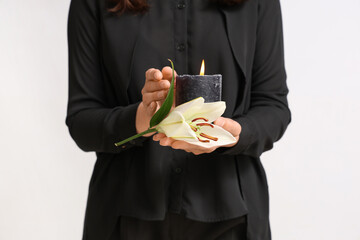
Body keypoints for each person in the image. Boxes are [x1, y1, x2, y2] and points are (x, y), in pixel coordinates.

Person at [65, 0, 291, 239]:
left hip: (232, 220)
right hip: (125, 218)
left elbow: (273, 107)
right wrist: (141, 119)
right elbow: (81, 119)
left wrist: (234, 133)